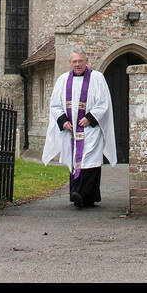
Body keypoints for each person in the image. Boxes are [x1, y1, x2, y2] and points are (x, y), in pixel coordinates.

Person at [42, 47, 116, 208]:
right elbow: (54, 105)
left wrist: (90, 118)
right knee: (75, 159)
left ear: (86, 61)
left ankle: (82, 194)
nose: (77, 64)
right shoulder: (63, 80)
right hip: (71, 131)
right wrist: (63, 121)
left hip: (90, 129)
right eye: (74, 61)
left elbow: (103, 103)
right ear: (70, 63)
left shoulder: (97, 78)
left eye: (80, 61)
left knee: (89, 159)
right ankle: (79, 195)